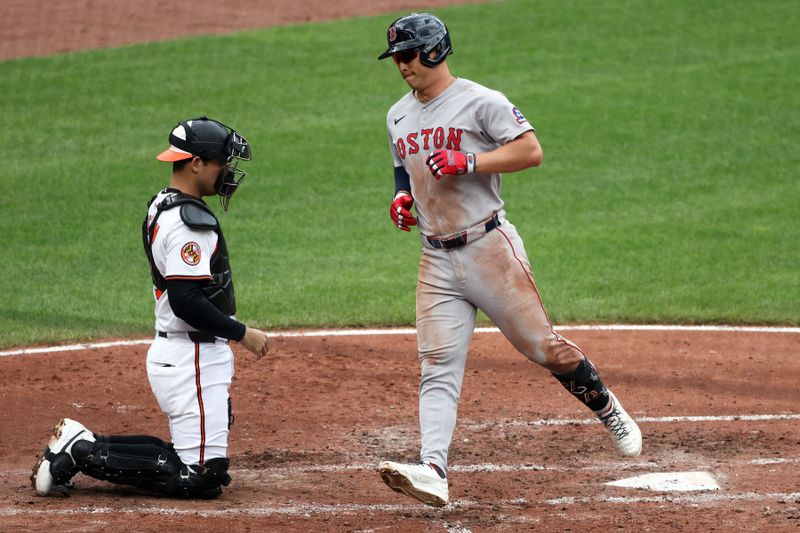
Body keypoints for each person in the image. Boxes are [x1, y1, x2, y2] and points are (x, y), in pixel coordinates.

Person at [375, 13, 642, 507]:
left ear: (435, 51)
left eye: (408, 54)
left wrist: (469, 161)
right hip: (435, 259)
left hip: (489, 249)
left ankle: (606, 406)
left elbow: (531, 151)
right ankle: (433, 468)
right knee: (437, 365)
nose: (401, 65)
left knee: (543, 348)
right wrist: (402, 198)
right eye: (396, 57)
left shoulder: (481, 102)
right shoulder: (396, 114)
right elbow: (400, 166)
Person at [31, 116, 270, 499]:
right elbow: (186, 299)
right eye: (222, 162)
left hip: (182, 352)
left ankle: (82, 444)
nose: (227, 171)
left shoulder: (164, 203)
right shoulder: (189, 224)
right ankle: (80, 451)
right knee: (201, 477)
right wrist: (243, 334)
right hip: (191, 355)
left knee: (190, 460)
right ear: (196, 163)